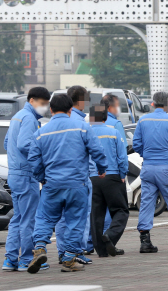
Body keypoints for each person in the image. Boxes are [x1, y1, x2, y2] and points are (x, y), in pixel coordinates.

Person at [26, 94, 108, 274]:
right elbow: (97, 150)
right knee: (75, 220)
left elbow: (33, 159)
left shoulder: (40, 133)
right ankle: (69, 258)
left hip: (52, 184)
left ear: (51, 110)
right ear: (71, 109)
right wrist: (102, 169)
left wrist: (42, 177)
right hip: (77, 184)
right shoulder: (82, 127)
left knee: (45, 218)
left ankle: (39, 247)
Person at [2, 87, 51, 272]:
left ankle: (10, 260)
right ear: (32, 100)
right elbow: (25, 144)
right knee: (29, 219)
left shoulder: (18, 116)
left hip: (15, 173)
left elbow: (8, 143)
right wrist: (38, 159)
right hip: (25, 174)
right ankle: (27, 259)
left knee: (18, 218)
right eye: (43, 103)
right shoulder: (29, 118)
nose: (45, 108)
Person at [133, 92, 168, 253]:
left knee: (147, 204)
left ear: (153, 103)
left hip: (148, 167)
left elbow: (137, 143)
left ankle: (145, 241)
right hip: (167, 166)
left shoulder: (143, 120)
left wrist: (146, 154)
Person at [55, 86, 94, 265]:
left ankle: (63, 251)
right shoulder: (81, 124)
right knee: (79, 216)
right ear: (81, 101)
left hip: (56, 178)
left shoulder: (55, 123)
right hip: (78, 177)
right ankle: (75, 251)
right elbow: (94, 151)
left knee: (62, 217)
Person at [89, 105, 129, 258]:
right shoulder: (113, 132)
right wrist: (123, 172)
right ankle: (110, 236)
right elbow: (122, 156)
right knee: (121, 210)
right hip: (112, 176)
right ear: (106, 118)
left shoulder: (87, 133)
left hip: (93, 178)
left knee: (96, 214)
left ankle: (101, 250)